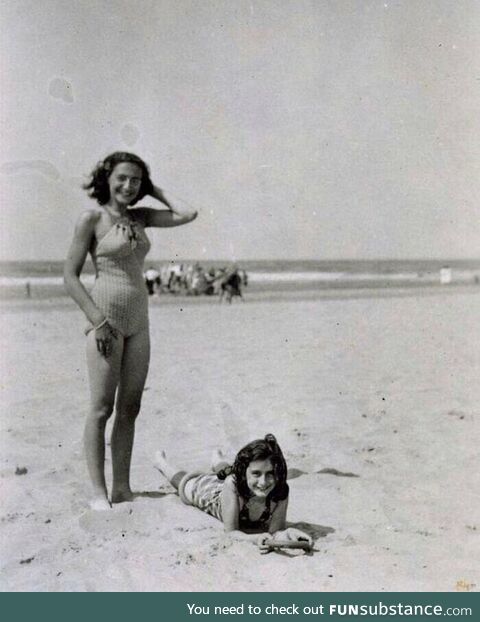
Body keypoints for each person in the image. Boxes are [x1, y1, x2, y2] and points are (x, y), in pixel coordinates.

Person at [64, 152, 197, 510]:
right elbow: (70, 277)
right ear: (107, 178)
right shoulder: (91, 218)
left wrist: (154, 188)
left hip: (140, 321)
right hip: (104, 319)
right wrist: (98, 321)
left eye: (136, 180)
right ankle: (98, 493)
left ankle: (122, 488)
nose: (128, 185)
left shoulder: (140, 217)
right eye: (122, 178)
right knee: (101, 408)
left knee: (131, 407)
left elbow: (188, 213)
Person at [154, 434, 312, 551]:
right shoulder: (234, 484)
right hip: (215, 495)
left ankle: (217, 460)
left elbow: (276, 532)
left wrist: (289, 534)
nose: (264, 482)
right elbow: (231, 533)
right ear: (245, 472)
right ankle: (162, 463)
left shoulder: (280, 490)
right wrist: (255, 538)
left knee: (228, 471)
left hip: (240, 480)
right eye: (256, 473)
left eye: (270, 473)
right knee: (188, 484)